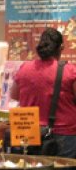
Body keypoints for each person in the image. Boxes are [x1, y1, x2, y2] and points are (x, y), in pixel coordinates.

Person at [10, 28, 76, 157]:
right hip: (64, 134)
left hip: (29, 132)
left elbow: (14, 95)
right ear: (61, 47)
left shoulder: (24, 68)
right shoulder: (70, 71)